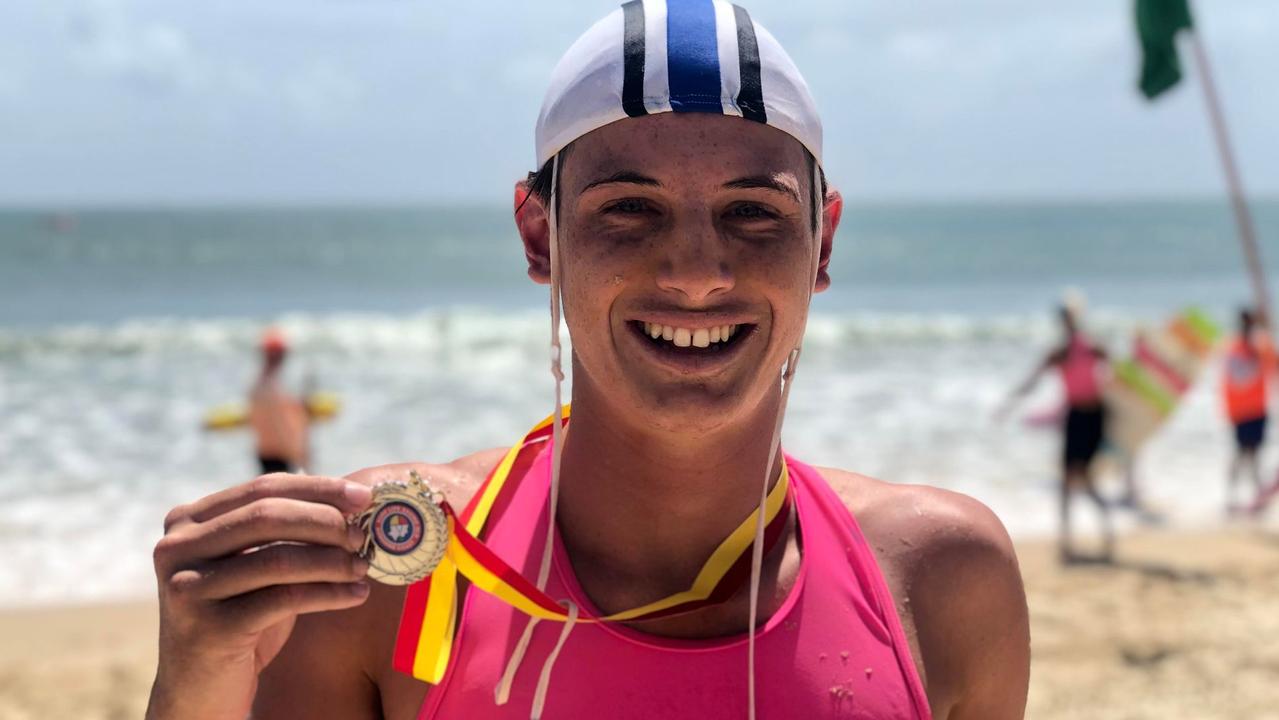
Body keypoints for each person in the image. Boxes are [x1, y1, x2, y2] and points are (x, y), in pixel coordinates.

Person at [147, 3, 1029, 719]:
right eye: (628, 209)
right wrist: (196, 683)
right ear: (539, 234)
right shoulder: (386, 573)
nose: (694, 274)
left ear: (821, 241)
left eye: (753, 212)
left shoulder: (938, 578)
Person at [1001, 300, 1113, 562]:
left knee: (1085, 478)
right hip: (1074, 416)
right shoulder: (1060, 353)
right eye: (1065, 318)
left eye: (1070, 317)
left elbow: (1123, 375)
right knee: (1067, 481)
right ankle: (1067, 540)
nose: (1068, 322)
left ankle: (1105, 533)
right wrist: (1009, 404)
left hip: (1095, 416)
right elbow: (1033, 381)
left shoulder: (1093, 347)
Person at [1221, 307, 1275, 512]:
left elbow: (1275, 367)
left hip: (1257, 409)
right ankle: (1232, 496)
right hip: (1240, 411)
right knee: (1241, 453)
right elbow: (1237, 378)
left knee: (1255, 455)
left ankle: (1256, 496)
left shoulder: (1261, 347)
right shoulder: (1235, 349)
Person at [248, 329, 310, 474]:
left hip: (267, 450)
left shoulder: (261, 383)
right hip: (279, 452)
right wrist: (296, 452)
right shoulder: (270, 386)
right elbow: (280, 424)